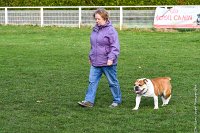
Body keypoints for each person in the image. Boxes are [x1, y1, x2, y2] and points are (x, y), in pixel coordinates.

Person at [78, 8, 122, 108]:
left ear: (105, 18)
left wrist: (111, 58)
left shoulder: (111, 31)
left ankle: (117, 100)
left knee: (112, 82)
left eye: (98, 19)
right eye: (96, 19)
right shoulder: (95, 29)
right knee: (92, 82)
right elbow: (93, 45)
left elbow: (115, 47)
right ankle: (89, 101)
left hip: (108, 62)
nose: (96, 21)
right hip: (95, 62)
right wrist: (91, 56)